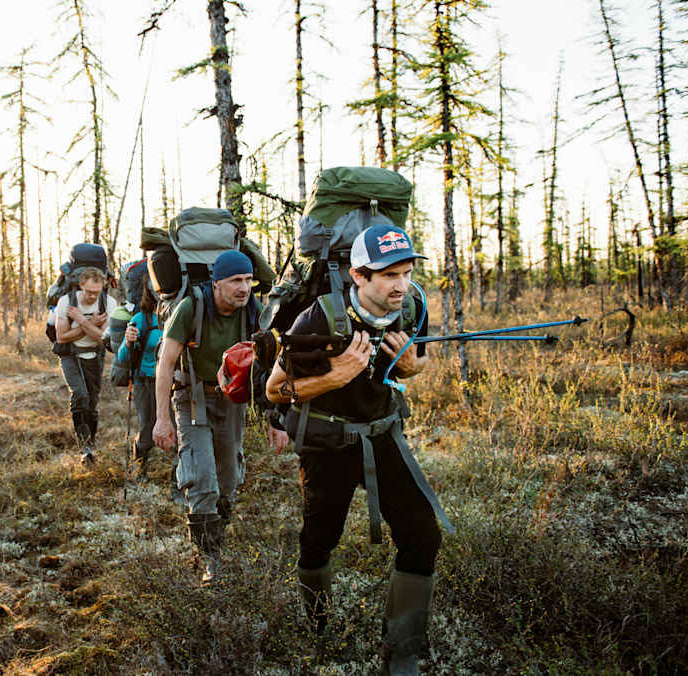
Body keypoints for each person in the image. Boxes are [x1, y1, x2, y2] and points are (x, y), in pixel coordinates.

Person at [265, 224, 452, 676]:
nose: (401, 285)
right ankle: (317, 626)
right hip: (327, 443)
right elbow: (274, 390)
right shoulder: (318, 318)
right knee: (318, 541)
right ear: (358, 276)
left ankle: (402, 654)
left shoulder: (413, 304)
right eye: (388, 275)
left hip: (384, 434)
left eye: (406, 272)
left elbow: (420, 358)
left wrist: (412, 365)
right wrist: (336, 375)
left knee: (422, 532)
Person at [154, 250, 288, 584]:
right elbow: (165, 363)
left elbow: (268, 369)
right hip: (193, 398)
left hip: (233, 401)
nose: (244, 288)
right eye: (235, 281)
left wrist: (276, 419)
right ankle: (208, 558)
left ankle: (216, 537)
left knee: (227, 481)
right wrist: (162, 418)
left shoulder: (254, 313)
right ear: (216, 284)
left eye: (247, 280)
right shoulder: (191, 308)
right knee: (202, 478)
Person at [54, 267, 118, 465]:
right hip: (70, 355)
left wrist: (82, 320)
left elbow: (105, 342)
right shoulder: (66, 302)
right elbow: (61, 337)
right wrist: (92, 325)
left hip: (95, 357)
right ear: (81, 286)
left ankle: (91, 445)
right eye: (89, 292)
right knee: (80, 395)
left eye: (96, 292)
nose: (92, 296)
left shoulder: (109, 303)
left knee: (92, 402)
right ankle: (84, 446)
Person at [118, 285, 162, 477]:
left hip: (174, 383)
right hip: (145, 382)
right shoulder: (140, 319)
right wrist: (128, 342)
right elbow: (122, 357)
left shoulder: (178, 313)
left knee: (179, 429)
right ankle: (139, 468)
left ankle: (178, 476)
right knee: (147, 427)